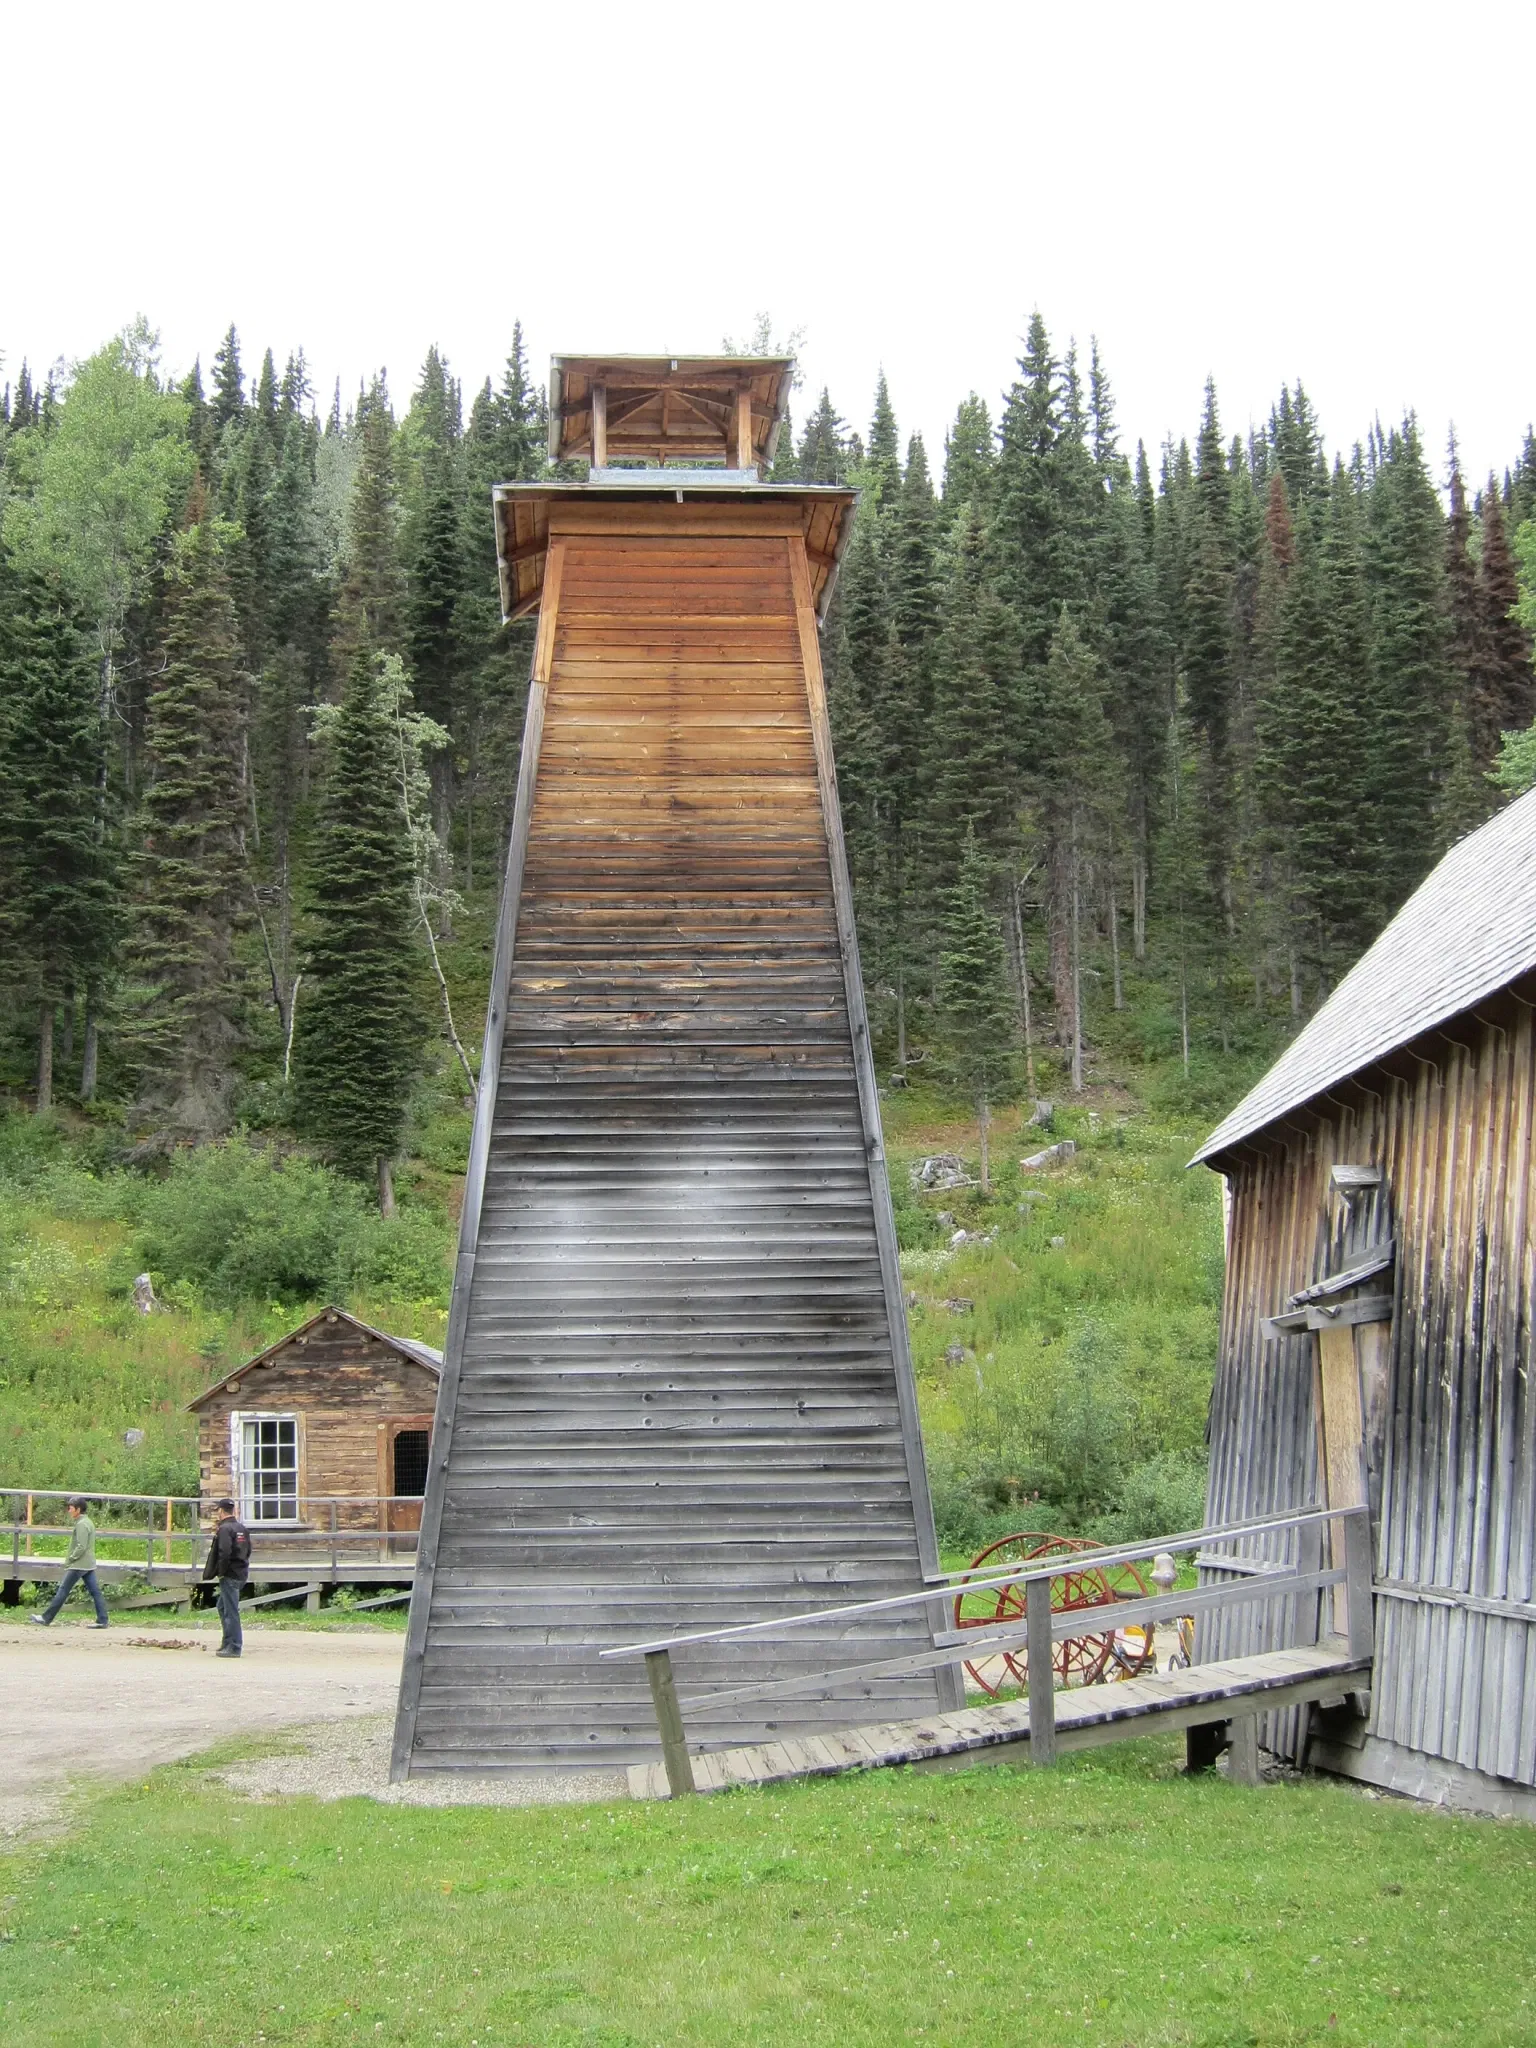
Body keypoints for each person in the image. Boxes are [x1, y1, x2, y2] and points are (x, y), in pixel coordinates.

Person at [31, 1498, 109, 1627]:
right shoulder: (87, 1522)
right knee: (95, 1592)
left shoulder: (81, 1524)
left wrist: (71, 1558)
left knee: (63, 1590)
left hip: (79, 1564)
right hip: (88, 1564)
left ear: (78, 1509)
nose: (69, 1511)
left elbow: (81, 1546)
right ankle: (103, 1620)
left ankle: (46, 1618)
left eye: (71, 1508)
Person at [203, 1498, 251, 1658]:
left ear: (221, 1511)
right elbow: (248, 1550)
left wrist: (221, 1571)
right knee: (222, 1607)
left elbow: (224, 1552)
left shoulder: (224, 1529)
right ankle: (227, 1642)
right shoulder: (242, 1528)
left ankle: (234, 1646)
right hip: (241, 1572)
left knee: (231, 1611)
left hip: (230, 1574)